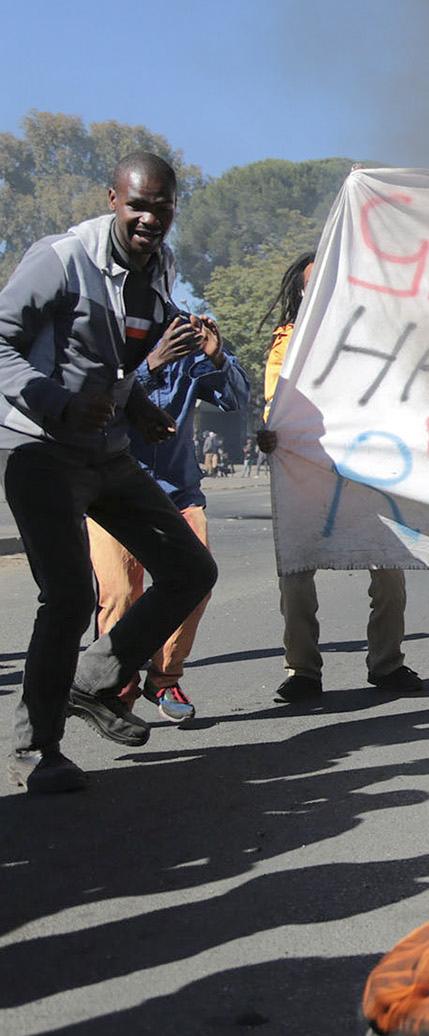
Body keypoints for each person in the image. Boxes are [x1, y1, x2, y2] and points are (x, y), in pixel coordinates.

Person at [0, 152, 219, 793]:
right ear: (113, 200)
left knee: (191, 570)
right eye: (138, 206)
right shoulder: (62, 258)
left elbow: (114, 360)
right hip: (39, 448)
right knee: (69, 596)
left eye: (162, 207)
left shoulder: (160, 268)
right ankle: (35, 751)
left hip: (108, 449)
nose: (150, 218)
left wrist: (141, 406)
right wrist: (57, 402)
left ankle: (91, 682)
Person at [258, 252, 424, 702]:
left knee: (389, 571)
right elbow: (277, 404)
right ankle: (303, 671)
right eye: (310, 285)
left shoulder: (373, 334)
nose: (319, 292)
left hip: (368, 472)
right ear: (299, 293)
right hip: (306, 474)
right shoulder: (286, 342)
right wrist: (270, 431)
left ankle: (387, 664)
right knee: (296, 573)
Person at [88, 307, 250, 722]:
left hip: (179, 494)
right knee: (119, 594)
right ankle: (116, 687)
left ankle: (164, 679)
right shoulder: (113, 345)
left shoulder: (191, 353)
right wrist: (153, 362)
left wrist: (217, 356)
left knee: (195, 585)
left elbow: (237, 399)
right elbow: (99, 403)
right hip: (113, 495)